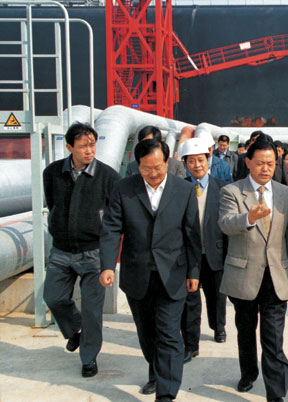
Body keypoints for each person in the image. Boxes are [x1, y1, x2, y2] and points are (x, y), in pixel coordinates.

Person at [99, 139, 202, 402]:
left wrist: (194, 272)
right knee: (147, 335)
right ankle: (156, 373)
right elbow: (111, 228)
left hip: (173, 274)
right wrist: (108, 265)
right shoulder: (124, 189)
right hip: (138, 274)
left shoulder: (184, 190)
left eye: (158, 167)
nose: (153, 173)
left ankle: (166, 394)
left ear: (167, 162)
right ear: (138, 165)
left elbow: (192, 234)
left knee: (169, 334)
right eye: (147, 168)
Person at [218, 138, 288, 402]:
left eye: (271, 163)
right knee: (246, 330)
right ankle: (248, 372)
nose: (266, 168)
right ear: (248, 162)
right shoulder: (231, 191)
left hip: (276, 276)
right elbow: (225, 224)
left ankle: (275, 394)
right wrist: (249, 218)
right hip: (243, 275)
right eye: (261, 163)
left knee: (273, 338)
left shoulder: (285, 194)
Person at [42, 122, 120, 378]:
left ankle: (89, 358)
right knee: (53, 297)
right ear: (69, 147)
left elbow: (115, 216)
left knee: (91, 310)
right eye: (83, 146)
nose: (89, 150)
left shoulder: (108, 176)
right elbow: (52, 203)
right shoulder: (52, 173)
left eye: (93, 145)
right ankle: (75, 329)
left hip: (93, 253)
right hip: (61, 251)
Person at [179, 138, 229, 365]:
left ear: (208, 160)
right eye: (191, 161)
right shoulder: (179, 188)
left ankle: (219, 327)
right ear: (185, 163)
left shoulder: (223, 188)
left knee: (216, 295)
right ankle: (191, 344)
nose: (197, 165)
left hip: (214, 252)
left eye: (200, 160)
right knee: (189, 300)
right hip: (189, 255)